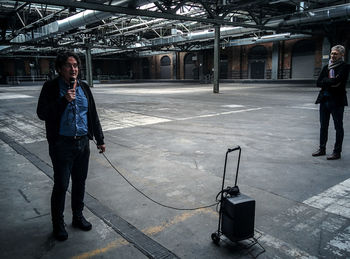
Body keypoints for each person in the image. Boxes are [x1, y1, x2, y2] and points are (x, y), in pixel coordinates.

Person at [37, 51, 106, 241]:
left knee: (80, 182)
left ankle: (77, 216)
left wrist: (99, 138)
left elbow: (92, 114)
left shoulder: (83, 87)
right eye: (69, 65)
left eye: (75, 65)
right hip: (61, 145)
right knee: (61, 184)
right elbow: (42, 113)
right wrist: (63, 100)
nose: (73, 69)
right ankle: (58, 224)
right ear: (60, 69)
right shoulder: (51, 88)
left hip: (83, 143)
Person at [312, 45, 349, 160]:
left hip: (337, 101)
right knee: (323, 126)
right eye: (332, 53)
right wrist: (331, 82)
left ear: (342, 55)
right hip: (324, 100)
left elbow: (338, 81)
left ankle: (337, 152)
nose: (333, 55)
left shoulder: (345, 67)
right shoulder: (326, 67)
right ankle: (322, 149)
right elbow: (318, 82)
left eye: (335, 54)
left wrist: (327, 81)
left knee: (338, 127)